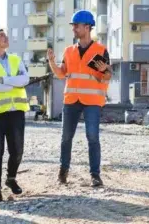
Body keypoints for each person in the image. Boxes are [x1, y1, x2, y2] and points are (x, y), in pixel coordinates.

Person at [47, 10, 112, 187]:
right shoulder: (69, 51)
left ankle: (95, 175)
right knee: (66, 137)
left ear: (87, 27)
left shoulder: (100, 50)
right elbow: (62, 74)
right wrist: (52, 62)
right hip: (71, 100)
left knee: (93, 137)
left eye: (76, 25)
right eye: (73, 26)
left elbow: (107, 76)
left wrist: (105, 70)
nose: (74, 28)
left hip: (92, 101)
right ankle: (63, 172)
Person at [0, 24, 30, 203]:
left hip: (15, 111)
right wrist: (13, 83)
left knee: (17, 150)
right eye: (1, 35)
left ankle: (11, 178)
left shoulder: (16, 59)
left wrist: (5, 81)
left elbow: (25, 79)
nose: (5, 37)